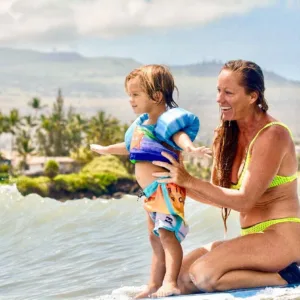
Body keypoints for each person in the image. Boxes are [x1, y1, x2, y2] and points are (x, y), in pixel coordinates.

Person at [152, 59, 300, 295]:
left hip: (281, 236)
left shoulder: (273, 135)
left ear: (253, 96)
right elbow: (219, 196)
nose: (219, 99)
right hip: (252, 238)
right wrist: (174, 179)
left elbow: (244, 201)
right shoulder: (225, 136)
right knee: (178, 278)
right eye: (219, 91)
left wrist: (190, 180)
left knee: (204, 275)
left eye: (228, 92)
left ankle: (286, 276)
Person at [90, 64, 211, 298]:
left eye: (136, 95)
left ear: (156, 96)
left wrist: (191, 149)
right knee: (155, 238)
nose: (131, 100)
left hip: (166, 188)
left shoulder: (165, 122)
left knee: (167, 235)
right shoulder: (142, 125)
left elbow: (179, 135)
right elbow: (129, 147)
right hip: (151, 193)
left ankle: (170, 283)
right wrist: (106, 150)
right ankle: (154, 284)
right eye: (129, 95)